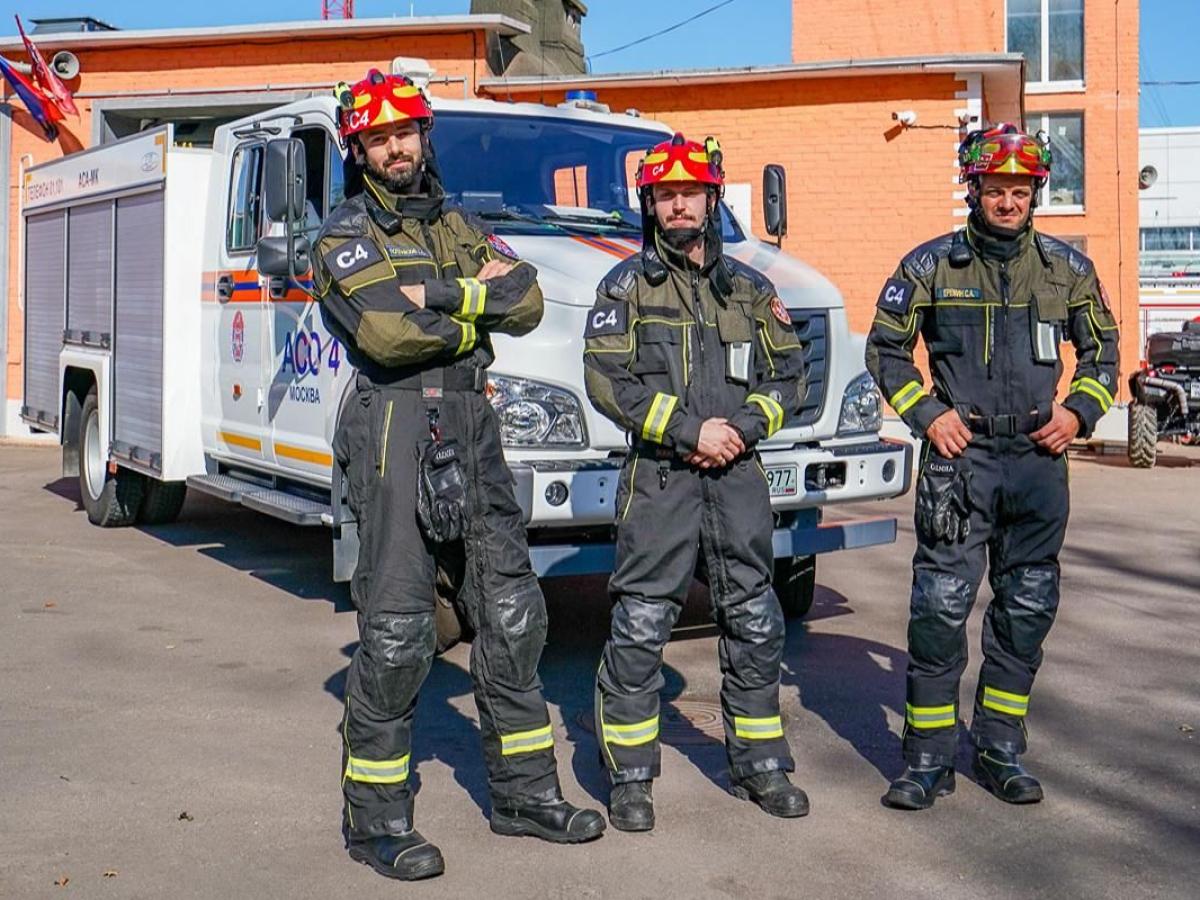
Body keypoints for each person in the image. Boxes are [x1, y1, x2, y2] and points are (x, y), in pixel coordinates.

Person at [312, 69, 604, 881]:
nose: (395, 148)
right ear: (358, 150)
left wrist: (436, 293)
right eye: (378, 138)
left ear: (423, 137)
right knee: (400, 634)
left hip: (474, 420)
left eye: (405, 132)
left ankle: (525, 796)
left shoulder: (458, 222)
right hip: (395, 421)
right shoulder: (341, 236)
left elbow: (529, 300)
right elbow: (386, 335)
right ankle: (376, 820)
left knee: (512, 616)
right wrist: (475, 304)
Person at [865, 123, 1119, 810]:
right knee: (939, 610)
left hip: (1037, 459)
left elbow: (1104, 354)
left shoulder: (1068, 270)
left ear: (1035, 193)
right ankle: (927, 758)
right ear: (973, 189)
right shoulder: (930, 266)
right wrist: (927, 414)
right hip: (961, 459)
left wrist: (1079, 413)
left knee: (1026, 609)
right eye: (995, 189)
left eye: (1020, 191)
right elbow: (885, 350)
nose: (1007, 202)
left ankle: (1000, 748)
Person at [583, 133, 810, 832]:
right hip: (661, 478)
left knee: (755, 619)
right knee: (642, 623)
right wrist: (689, 432)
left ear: (713, 199)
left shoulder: (751, 289)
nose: (679, 205)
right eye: (666, 194)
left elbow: (791, 376)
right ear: (649, 203)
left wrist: (740, 428)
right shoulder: (624, 287)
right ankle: (630, 777)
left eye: (691, 193)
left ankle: (761, 764)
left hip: (737, 475)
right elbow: (607, 381)